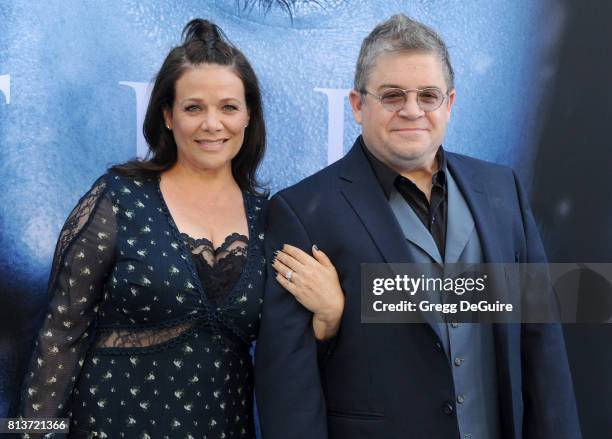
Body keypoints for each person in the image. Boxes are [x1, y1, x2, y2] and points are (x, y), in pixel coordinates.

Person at [255, 14, 581, 439]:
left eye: (428, 95)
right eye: (392, 96)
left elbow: (543, 346)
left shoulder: (502, 190)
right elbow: (288, 386)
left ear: (450, 103)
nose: (412, 110)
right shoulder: (301, 212)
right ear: (357, 104)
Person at [18, 18, 342, 439]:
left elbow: (293, 355)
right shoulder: (119, 198)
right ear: (168, 116)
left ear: (248, 116)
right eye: (194, 108)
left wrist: (332, 312)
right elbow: (59, 337)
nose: (212, 124)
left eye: (228, 107)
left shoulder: (271, 218)